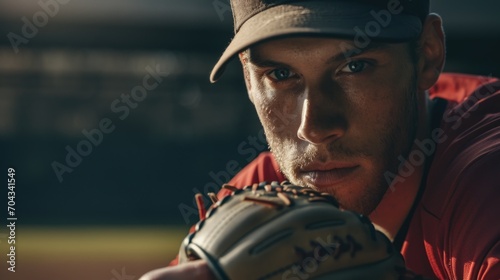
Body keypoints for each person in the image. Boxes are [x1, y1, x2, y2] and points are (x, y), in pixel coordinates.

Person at [141, 0, 500, 279]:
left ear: (427, 55)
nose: (313, 128)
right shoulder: (264, 195)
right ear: (249, 81)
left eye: (355, 67)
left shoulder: (483, 179)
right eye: (281, 74)